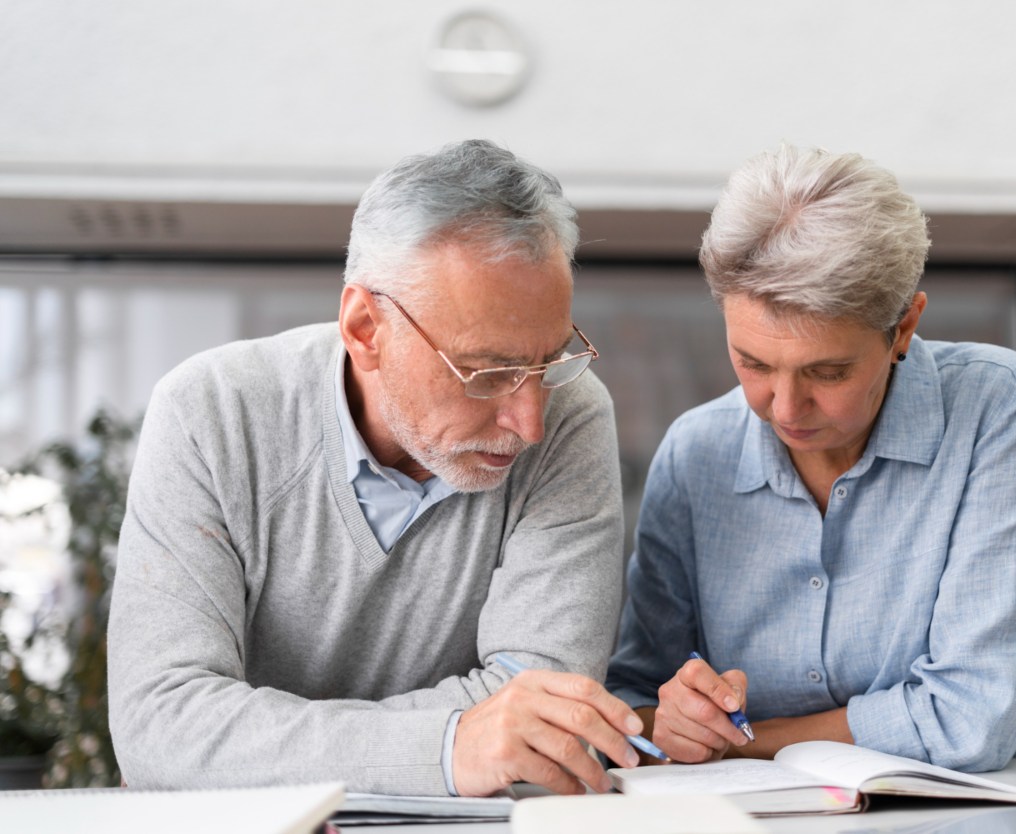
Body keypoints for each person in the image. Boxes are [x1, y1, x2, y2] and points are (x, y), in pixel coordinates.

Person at [108, 140, 643, 797]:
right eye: (489, 372)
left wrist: (250, 742)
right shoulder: (210, 412)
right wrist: (450, 748)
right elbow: (161, 728)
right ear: (366, 329)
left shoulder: (571, 414)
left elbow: (545, 717)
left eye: (549, 361)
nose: (529, 422)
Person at [606, 145, 1016, 773]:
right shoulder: (697, 451)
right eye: (754, 363)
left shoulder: (994, 405)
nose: (786, 405)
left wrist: (744, 739)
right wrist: (673, 717)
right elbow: (634, 698)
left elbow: (972, 717)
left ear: (903, 328)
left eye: (828, 371)